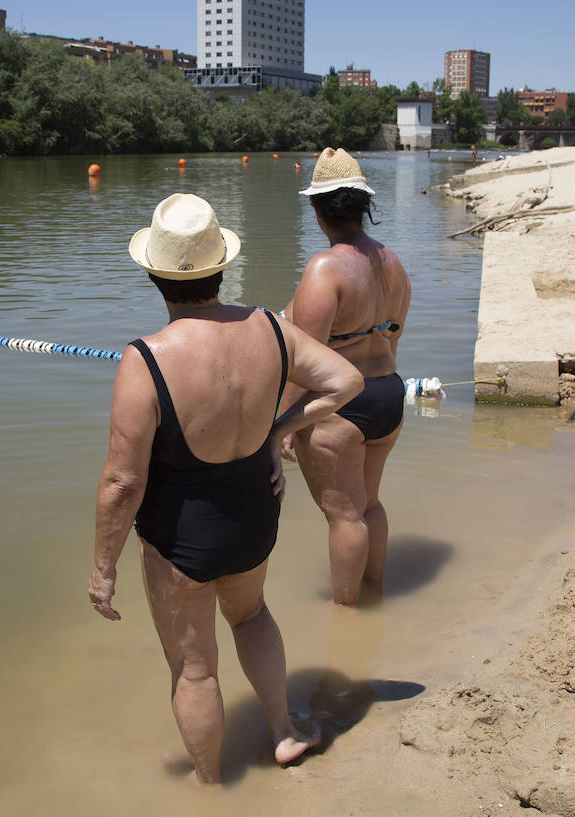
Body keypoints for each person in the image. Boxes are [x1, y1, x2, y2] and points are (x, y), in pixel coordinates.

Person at [88, 193, 363, 785]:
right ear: (221, 265)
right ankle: (286, 734)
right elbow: (346, 380)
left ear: (154, 274)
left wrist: (103, 567)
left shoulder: (146, 359)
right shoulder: (269, 326)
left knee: (194, 670)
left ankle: (210, 786)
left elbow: (122, 480)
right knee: (253, 615)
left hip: (181, 537)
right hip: (255, 517)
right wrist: (280, 431)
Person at [282, 148, 412, 606]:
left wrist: (284, 423)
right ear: (362, 206)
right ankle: (374, 592)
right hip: (389, 393)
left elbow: (306, 359)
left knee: (343, 516)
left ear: (317, 209)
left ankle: (346, 614)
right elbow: (393, 338)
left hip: (342, 406)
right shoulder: (393, 262)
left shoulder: (324, 268)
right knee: (368, 505)